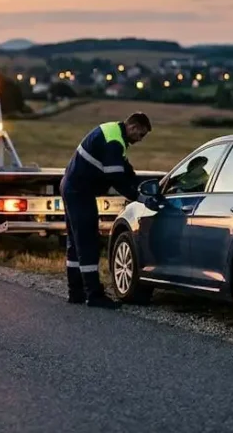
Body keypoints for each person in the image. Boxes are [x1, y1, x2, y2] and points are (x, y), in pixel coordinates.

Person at [59, 112, 159, 308]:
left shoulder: (113, 133)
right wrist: (139, 197)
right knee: (88, 242)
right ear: (133, 127)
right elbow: (116, 177)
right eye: (141, 134)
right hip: (80, 192)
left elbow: (124, 168)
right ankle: (93, 295)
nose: (140, 139)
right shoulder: (113, 141)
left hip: (73, 188)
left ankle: (76, 292)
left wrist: (138, 183)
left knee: (76, 243)